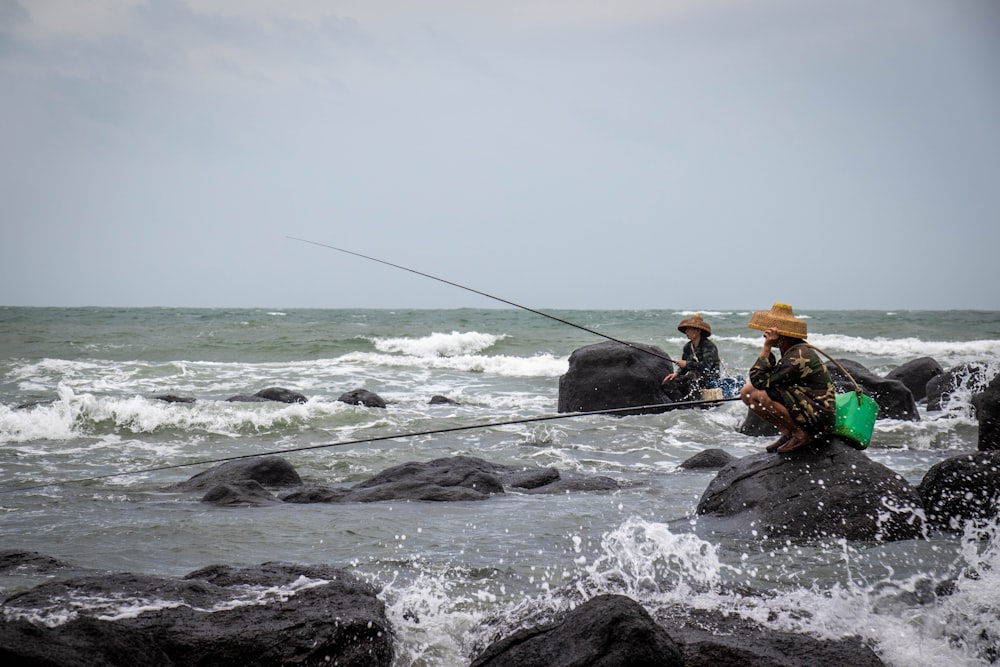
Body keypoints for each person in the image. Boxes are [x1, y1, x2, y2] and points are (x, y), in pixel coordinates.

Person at [740, 303, 836, 453]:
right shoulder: (793, 350)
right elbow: (760, 380)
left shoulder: (798, 355)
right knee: (747, 392)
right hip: (807, 405)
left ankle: (800, 435)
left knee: (763, 394)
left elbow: (760, 381)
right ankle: (788, 432)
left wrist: (767, 347)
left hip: (819, 416)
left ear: (781, 335)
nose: (765, 335)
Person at [661, 314, 721, 402]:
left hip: (709, 378)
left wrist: (686, 363)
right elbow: (684, 368)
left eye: (689, 329)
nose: (686, 332)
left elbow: (706, 366)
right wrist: (677, 373)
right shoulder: (687, 347)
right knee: (668, 384)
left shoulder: (709, 346)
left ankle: (696, 405)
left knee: (692, 376)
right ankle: (682, 404)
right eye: (686, 329)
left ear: (697, 331)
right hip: (692, 377)